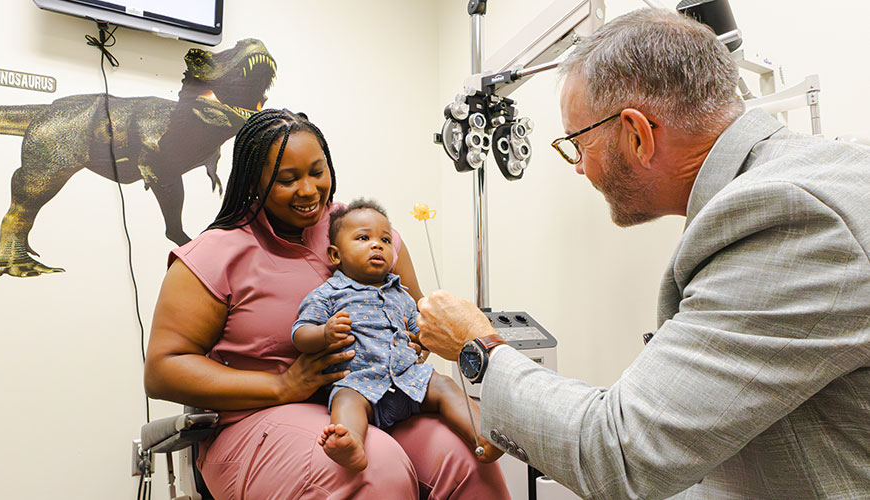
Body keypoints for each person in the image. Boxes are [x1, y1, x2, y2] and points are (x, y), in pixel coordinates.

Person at [415, 8, 870, 500]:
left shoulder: (786, 213)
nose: (580, 170)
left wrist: (476, 346)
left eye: (577, 145)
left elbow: (623, 453)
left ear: (637, 134)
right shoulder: (816, 171)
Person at [144, 108, 510, 499]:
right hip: (255, 418)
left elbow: (415, 312)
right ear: (254, 181)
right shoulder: (213, 255)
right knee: (375, 469)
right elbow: (164, 370)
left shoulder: (358, 230)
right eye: (288, 179)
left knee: (467, 461)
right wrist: (282, 385)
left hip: (382, 397)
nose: (308, 190)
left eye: (317, 172)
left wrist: (415, 341)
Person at [292, 199, 502, 471]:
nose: (377, 244)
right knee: (344, 399)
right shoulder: (328, 294)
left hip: (408, 380)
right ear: (335, 255)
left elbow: (422, 332)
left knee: (444, 385)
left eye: (386, 240)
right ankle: (350, 442)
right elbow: (300, 334)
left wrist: (422, 341)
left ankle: (484, 434)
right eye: (363, 238)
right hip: (360, 383)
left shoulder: (400, 295)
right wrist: (324, 333)